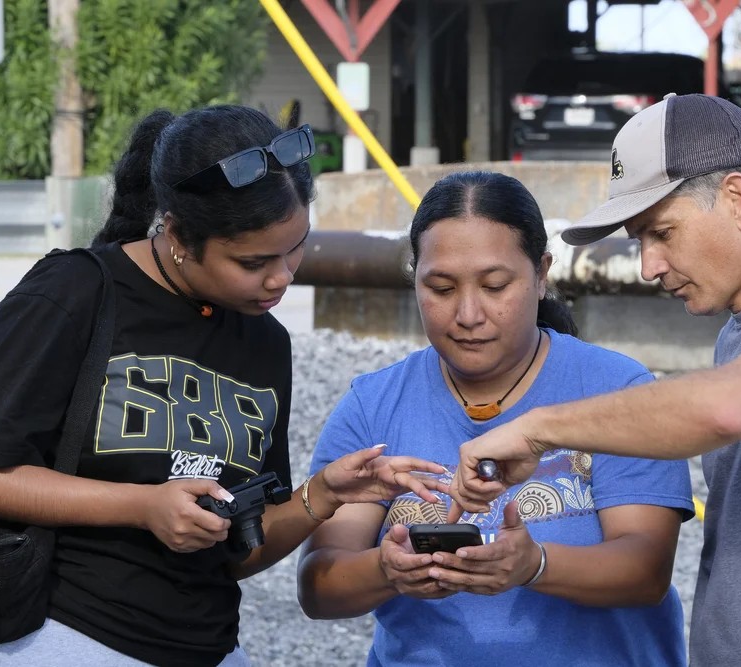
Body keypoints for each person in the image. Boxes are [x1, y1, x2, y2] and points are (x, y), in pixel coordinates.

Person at [0, 105, 448, 667]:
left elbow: (237, 553)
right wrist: (143, 506)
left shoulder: (266, 342)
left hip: (209, 647)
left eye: (296, 247)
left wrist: (324, 493)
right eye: (253, 261)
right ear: (178, 232)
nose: (282, 277)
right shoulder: (74, 292)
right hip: (61, 635)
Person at [447, 94, 741, 666]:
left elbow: (726, 408)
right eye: (641, 241)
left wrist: (537, 430)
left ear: (737, 199)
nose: (648, 266)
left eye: (662, 232)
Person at [297, 170, 695, 666]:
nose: (468, 314)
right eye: (441, 288)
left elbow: (646, 571)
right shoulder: (373, 404)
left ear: (542, 273)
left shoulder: (617, 390)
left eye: (494, 285)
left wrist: (534, 565)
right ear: (414, 277)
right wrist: (386, 569)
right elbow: (320, 586)